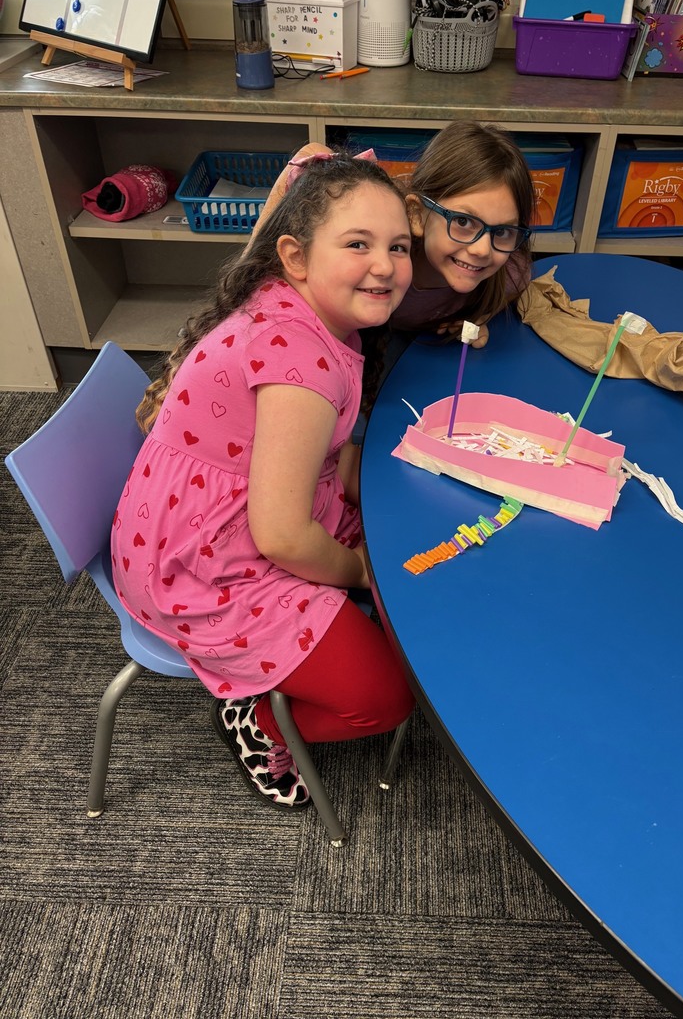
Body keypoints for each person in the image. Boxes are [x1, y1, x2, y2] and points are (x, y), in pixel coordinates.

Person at [111, 154, 416, 809]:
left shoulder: (303, 308)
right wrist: (359, 570)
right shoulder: (301, 362)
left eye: (399, 247)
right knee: (387, 697)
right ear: (296, 258)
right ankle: (259, 723)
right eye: (358, 244)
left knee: (409, 561)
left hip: (214, 517)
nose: (386, 265)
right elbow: (280, 535)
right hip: (198, 567)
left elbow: (311, 463)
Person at [244, 121, 535, 360]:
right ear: (416, 215)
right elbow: (313, 152)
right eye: (462, 222)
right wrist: (250, 265)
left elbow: (516, 280)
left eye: (502, 231)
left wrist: (480, 316)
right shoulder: (379, 244)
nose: (483, 250)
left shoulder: (509, 271)